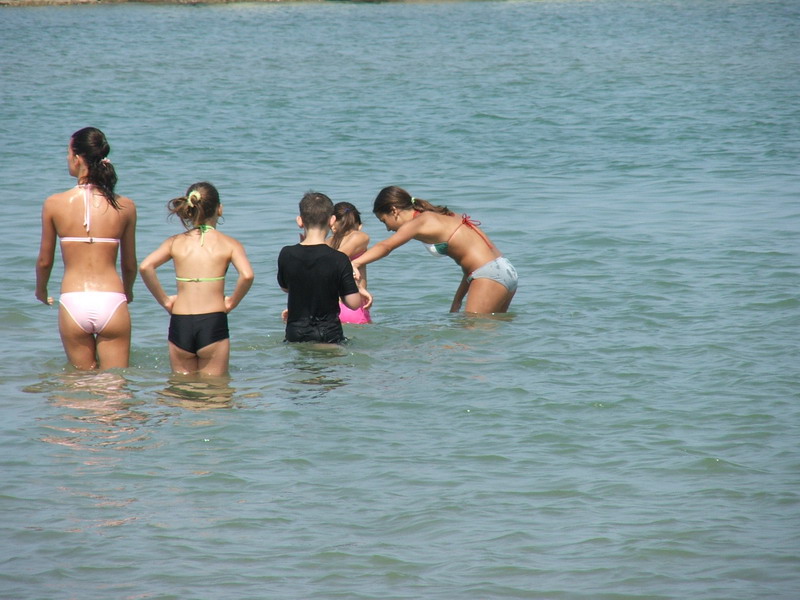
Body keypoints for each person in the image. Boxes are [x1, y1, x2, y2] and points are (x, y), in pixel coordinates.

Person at [36, 127, 138, 370]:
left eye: (68, 152)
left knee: (79, 387)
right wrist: (128, 292)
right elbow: (129, 264)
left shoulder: (54, 204)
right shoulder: (125, 206)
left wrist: (41, 289)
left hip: (74, 299)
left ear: (77, 158)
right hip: (111, 298)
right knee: (114, 383)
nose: (67, 158)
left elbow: (44, 261)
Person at [139, 182, 254, 376]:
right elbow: (247, 275)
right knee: (216, 389)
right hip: (212, 321)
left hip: (180, 322)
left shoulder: (174, 242)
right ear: (219, 209)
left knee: (181, 388)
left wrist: (165, 301)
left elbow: (145, 267)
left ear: (189, 209)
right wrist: (232, 302)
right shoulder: (230, 244)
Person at [352, 185, 518, 314]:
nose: (388, 228)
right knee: (489, 338)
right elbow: (470, 263)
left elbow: (386, 246)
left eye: (384, 221)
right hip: (503, 270)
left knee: (470, 338)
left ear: (394, 210)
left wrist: (356, 263)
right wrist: (457, 301)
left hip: (488, 274)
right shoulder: (441, 215)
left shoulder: (420, 222)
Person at [277, 192, 371, 344]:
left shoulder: (286, 253)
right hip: (328, 334)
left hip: (295, 333)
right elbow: (353, 303)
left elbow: (286, 287)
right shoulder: (339, 258)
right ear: (332, 220)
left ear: (300, 221)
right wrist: (355, 288)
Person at [327, 202, 372, 324]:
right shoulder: (360, 237)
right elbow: (338, 258)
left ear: (332, 224)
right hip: (354, 307)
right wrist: (352, 265)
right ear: (360, 226)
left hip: (328, 308)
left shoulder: (326, 243)